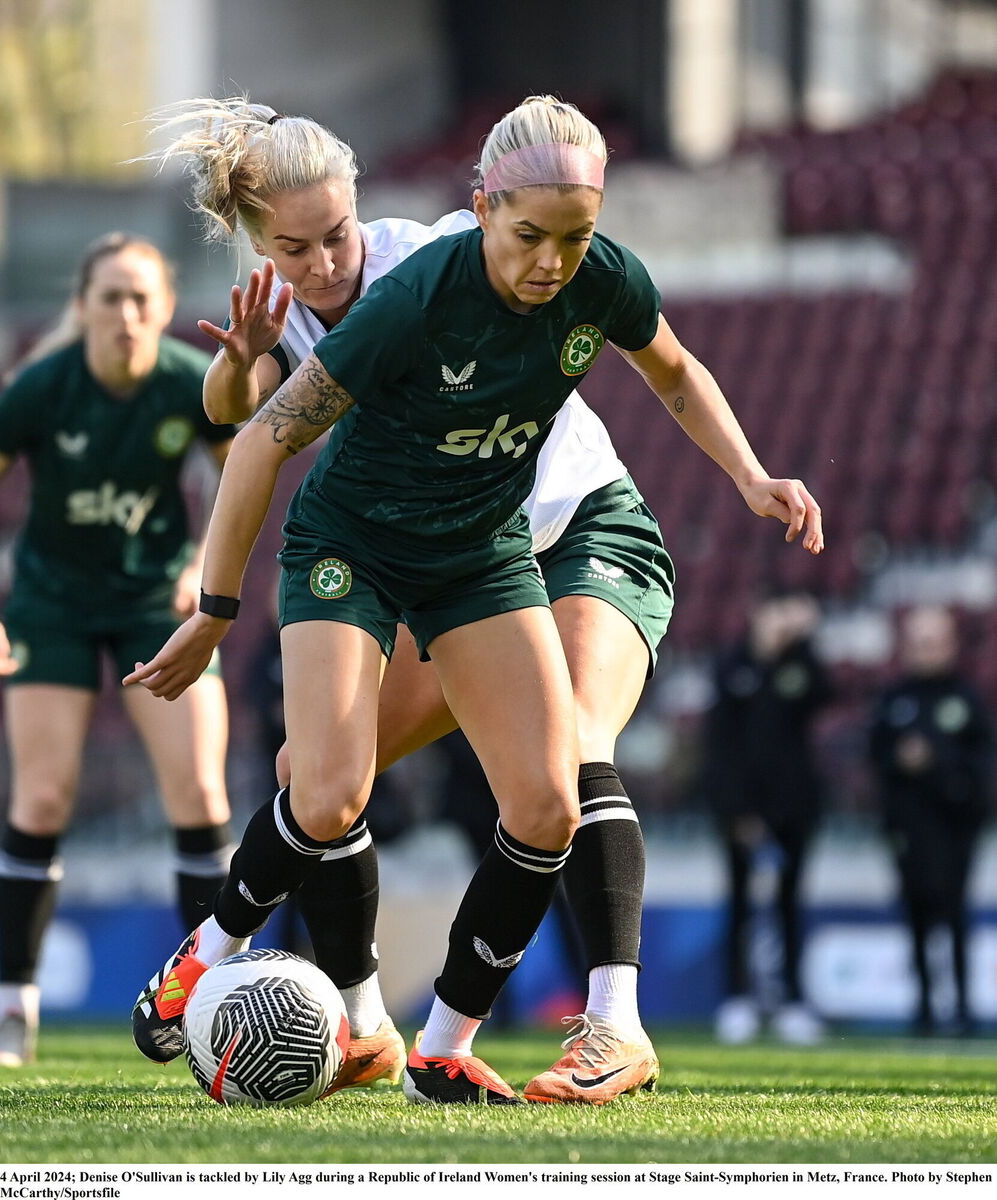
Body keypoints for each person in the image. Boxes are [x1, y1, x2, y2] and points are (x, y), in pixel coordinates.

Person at [126, 95, 823, 1106]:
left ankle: (610, 1024)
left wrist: (752, 475)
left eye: (335, 236)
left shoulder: (448, 255)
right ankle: (363, 1026)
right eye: (295, 249)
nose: (323, 263)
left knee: (568, 754)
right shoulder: (318, 316)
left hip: (572, 529)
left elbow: (666, 364)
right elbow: (250, 420)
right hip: (432, 550)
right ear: (259, 251)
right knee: (314, 777)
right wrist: (236, 372)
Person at [0, 233, 238, 1067]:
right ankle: (11, 1015)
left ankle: (210, 1009)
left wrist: (198, 567)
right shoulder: (41, 386)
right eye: (111, 297)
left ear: (166, 307)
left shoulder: (189, 383)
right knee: (40, 800)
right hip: (53, 609)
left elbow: (242, 470)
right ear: (83, 306)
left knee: (201, 795)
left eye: (142, 298)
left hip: (153, 610)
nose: (128, 314)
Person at [701, 593, 833, 1045]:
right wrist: (735, 811)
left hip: (794, 807)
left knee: (789, 903)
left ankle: (792, 1001)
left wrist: (804, 644)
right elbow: (720, 745)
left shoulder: (799, 665)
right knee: (740, 903)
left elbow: (824, 694)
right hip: (742, 808)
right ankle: (736, 998)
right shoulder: (732, 665)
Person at [869, 605, 992, 1036]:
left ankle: (960, 1008)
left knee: (956, 913)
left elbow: (983, 761)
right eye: (919, 641)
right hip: (908, 827)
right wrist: (898, 761)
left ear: (951, 643)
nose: (927, 649)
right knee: (917, 914)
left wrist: (935, 761)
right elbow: (873, 755)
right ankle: (923, 1008)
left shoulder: (966, 697)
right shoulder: (894, 697)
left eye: (934, 641)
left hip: (955, 824)